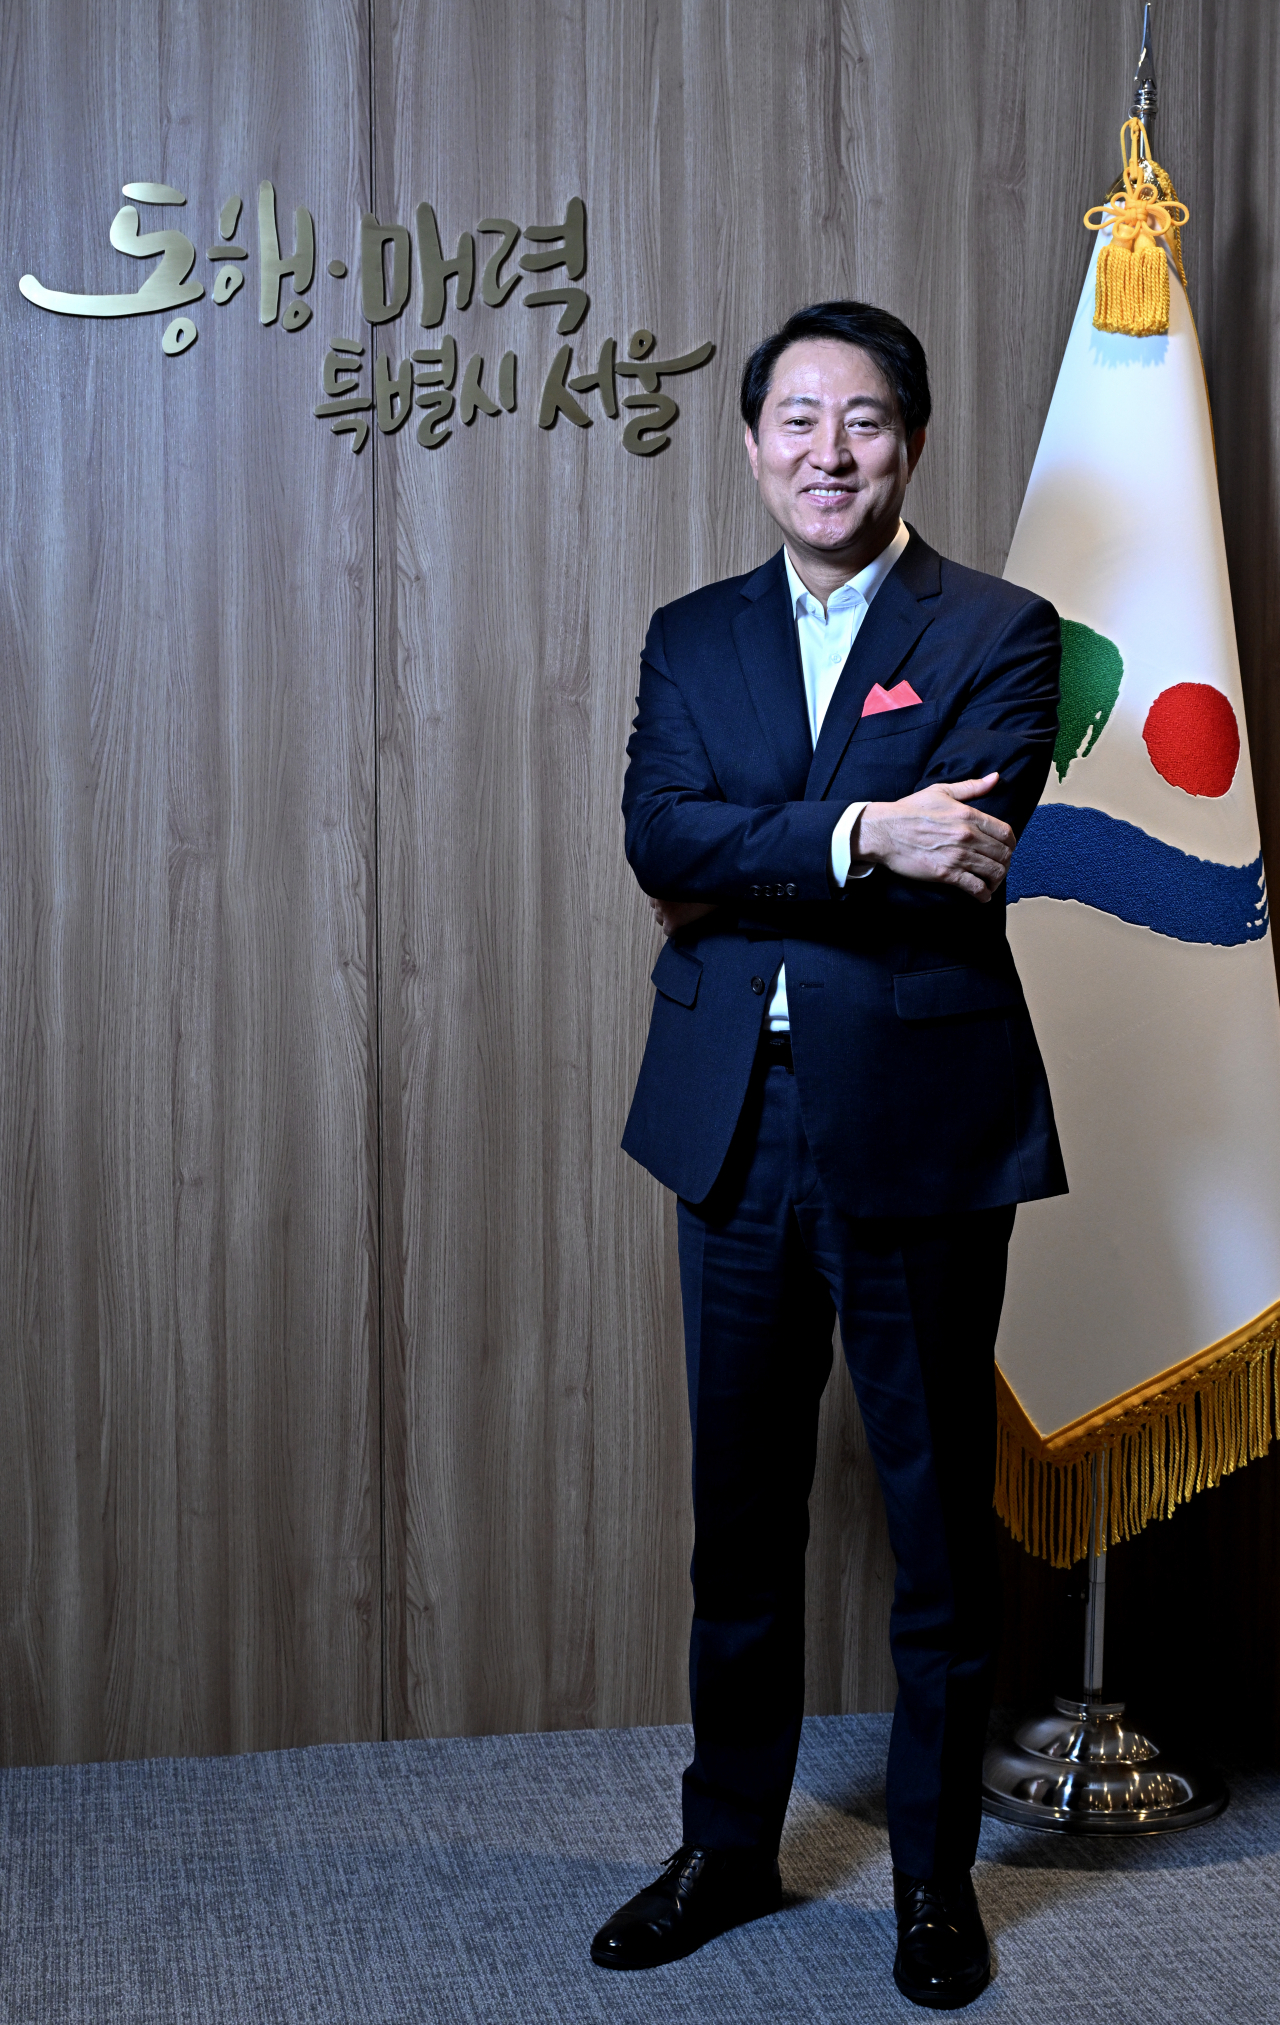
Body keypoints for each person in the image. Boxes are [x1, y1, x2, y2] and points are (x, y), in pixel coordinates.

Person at [591, 301, 1066, 2009]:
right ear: (751, 443)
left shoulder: (1004, 630)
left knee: (939, 1530)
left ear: (911, 444)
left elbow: (967, 848)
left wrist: (756, 856)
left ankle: (934, 1878)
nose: (827, 451)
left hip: (919, 1129)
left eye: (861, 421)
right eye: (796, 419)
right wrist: (866, 827)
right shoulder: (690, 635)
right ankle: (728, 1845)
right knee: (742, 1518)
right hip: (732, 1124)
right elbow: (659, 833)